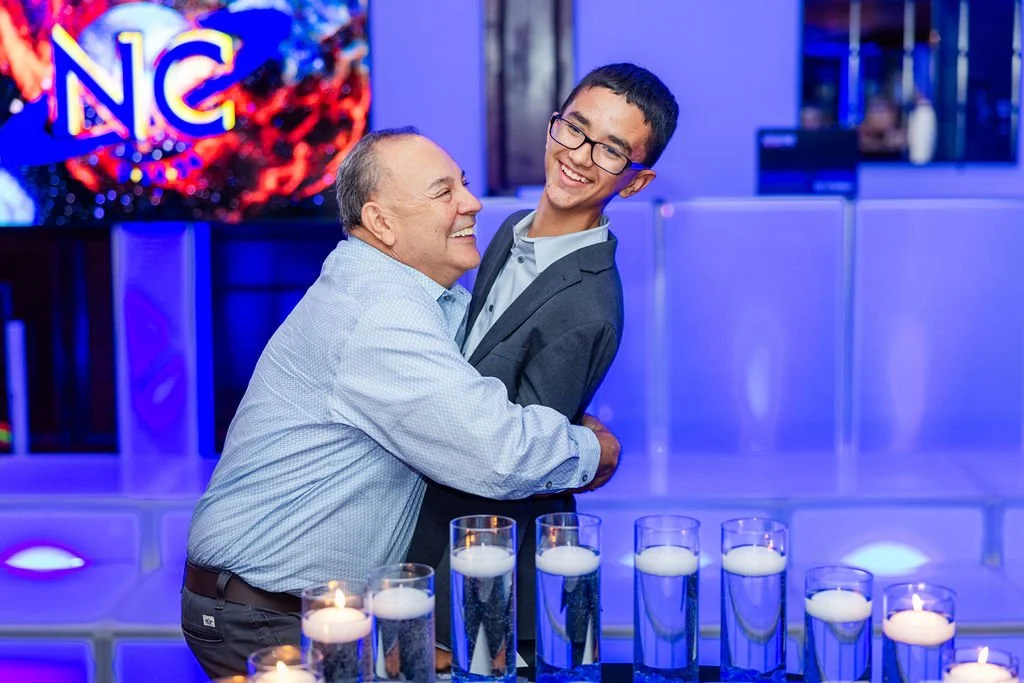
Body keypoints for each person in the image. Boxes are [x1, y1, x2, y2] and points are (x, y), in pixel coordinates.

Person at [181, 127, 622, 679]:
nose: (472, 202)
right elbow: (496, 451)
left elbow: (485, 369)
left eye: (462, 183)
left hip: (315, 607)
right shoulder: (378, 313)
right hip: (264, 616)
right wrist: (592, 451)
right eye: (444, 192)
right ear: (382, 223)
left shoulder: (416, 298)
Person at [405, 62, 679, 668]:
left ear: (634, 182)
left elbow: (517, 457)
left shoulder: (590, 305)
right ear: (554, 125)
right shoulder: (508, 229)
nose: (579, 156)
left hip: (498, 556)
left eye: (611, 151)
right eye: (574, 129)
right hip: (441, 523)